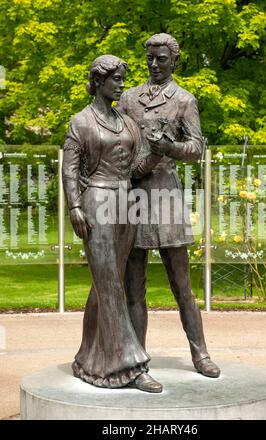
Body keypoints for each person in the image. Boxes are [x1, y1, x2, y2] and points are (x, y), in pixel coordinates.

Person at [117, 33, 220, 378]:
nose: (155, 64)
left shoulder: (184, 100)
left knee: (182, 285)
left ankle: (200, 353)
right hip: (133, 196)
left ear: (174, 61)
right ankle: (137, 359)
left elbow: (196, 149)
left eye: (162, 59)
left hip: (166, 197)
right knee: (134, 286)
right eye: (150, 58)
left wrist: (169, 147)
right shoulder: (129, 98)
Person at [62, 55, 163, 392]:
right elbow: (69, 169)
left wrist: (161, 151)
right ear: (99, 81)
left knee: (105, 282)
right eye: (116, 79)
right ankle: (131, 365)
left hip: (127, 203)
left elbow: (137, 168)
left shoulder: (127, 122)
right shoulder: (81, 122)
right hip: (96, 203)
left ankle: (88, 359)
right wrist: (74, 205)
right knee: (110, 285)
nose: (122, 84)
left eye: (123, 78)